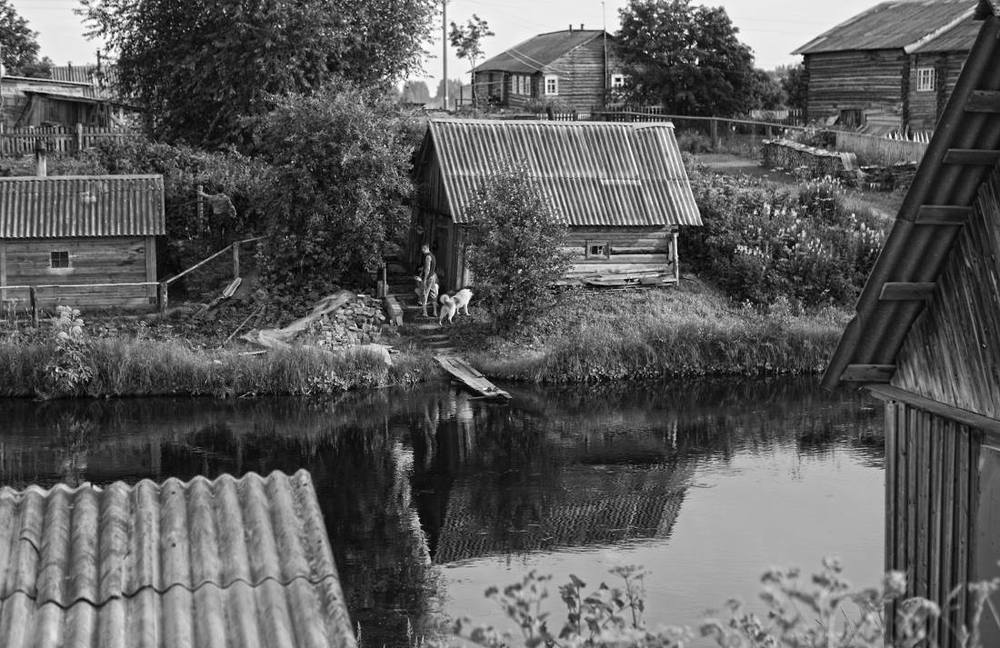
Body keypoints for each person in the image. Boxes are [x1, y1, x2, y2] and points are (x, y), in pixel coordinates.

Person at [418, 244, 438, 317]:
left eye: (422, 249)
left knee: (424, 295)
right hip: (433, 277)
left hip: (428, 278)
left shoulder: (427, 257)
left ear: (424, 248)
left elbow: (427, 269)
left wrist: (424, 279)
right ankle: (435, 312)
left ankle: (425, 312)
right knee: (433, 295)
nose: (422, 251)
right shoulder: (433, 256)